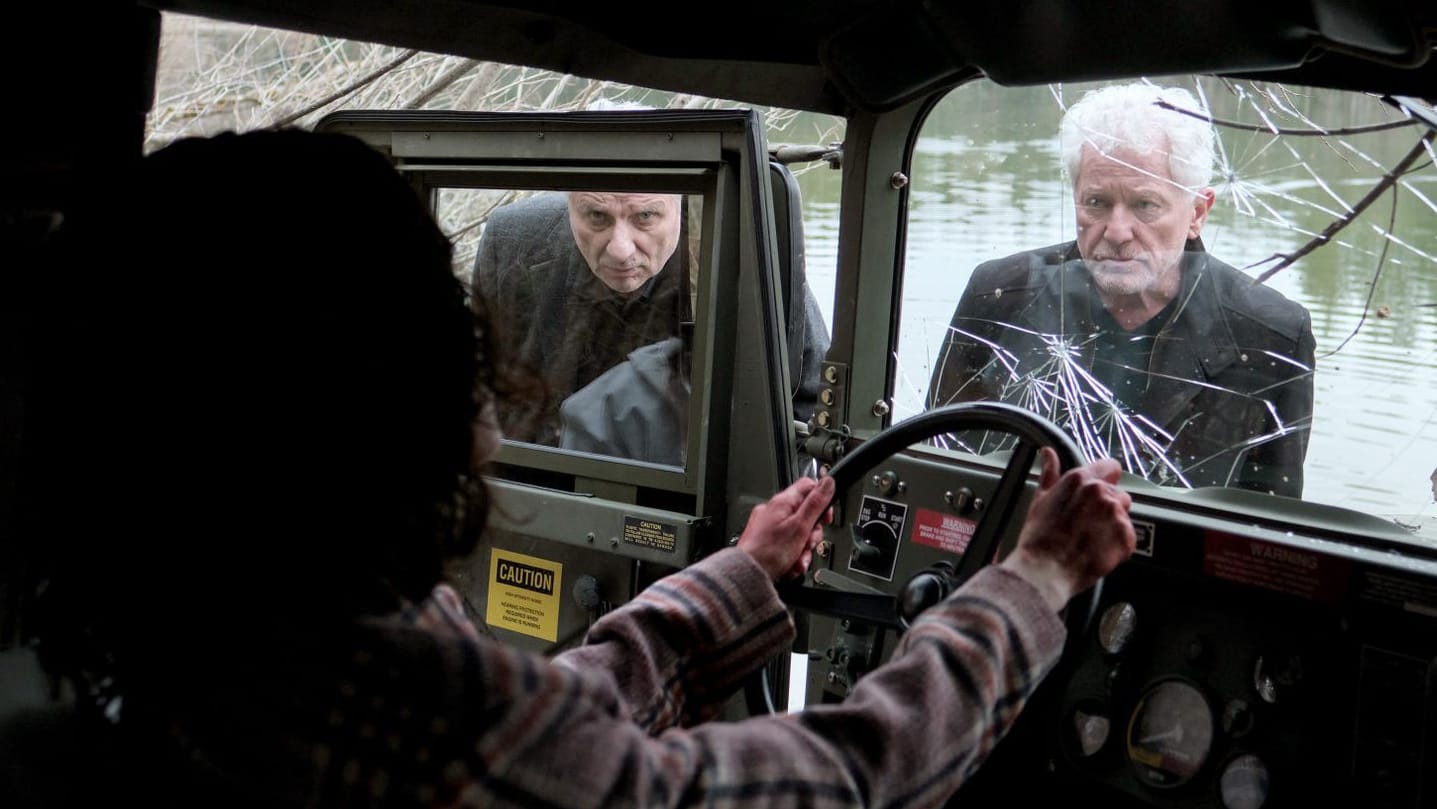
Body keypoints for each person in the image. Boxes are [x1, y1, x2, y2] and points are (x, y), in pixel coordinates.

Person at [14, 129, 1134, 808]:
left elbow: (560, 726)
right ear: (371, 401)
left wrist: (737, 579)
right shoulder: (420, 703)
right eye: (445, 330)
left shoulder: (202, 641)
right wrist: (1033, 582)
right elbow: (843, 780)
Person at [927, 82, 1315, 497]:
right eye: (1096, 203)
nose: (1116, 231)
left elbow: (1269, 528)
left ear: (1198, 213)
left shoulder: (1270, 335)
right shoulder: (1000, 294)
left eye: (1145, 205)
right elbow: (939, 468)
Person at [473, 189, 830, 449]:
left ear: (681, 203)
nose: (621, 249)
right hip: (540, 496)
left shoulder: (743, 254)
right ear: (570, 203)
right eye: (597, 216)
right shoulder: (513, 240)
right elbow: (479, 384)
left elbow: (810, 401)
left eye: (645, 217)